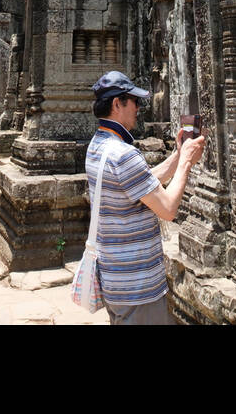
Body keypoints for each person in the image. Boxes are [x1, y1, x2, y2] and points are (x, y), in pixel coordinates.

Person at [85, 70, 204, 325]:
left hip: (115, 279)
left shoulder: (98, 145)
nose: (139, 108)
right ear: (117, 104)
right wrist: (185, 164)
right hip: (137, 286)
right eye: (135, 101)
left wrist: (177, 154)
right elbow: (168, 209)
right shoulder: (124, 155)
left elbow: (140, 183)